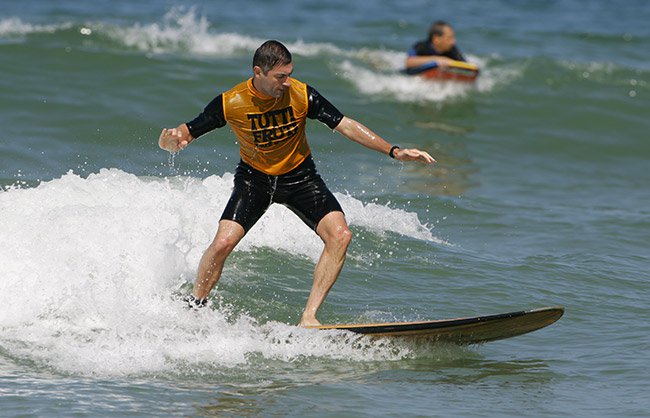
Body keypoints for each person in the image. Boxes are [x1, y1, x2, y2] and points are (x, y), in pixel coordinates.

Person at [159, 40, 435, 327]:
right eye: (280, 76)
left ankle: (309, 317)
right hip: (255, 180)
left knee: (340, 236)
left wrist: (394, 151)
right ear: (259, 72)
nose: (287, 82)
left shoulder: (302, 94)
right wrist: (170, 141)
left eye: (289, 74)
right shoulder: (232, 103)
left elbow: (345, 124)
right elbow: (185, 134)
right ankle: (195, 308)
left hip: (300, 177)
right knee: (222, 243)